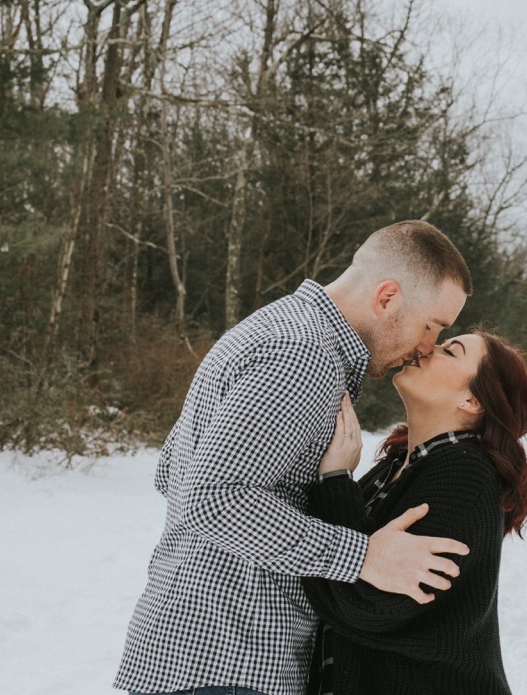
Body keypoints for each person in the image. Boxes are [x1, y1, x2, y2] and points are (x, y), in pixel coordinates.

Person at [115, 220, 476, 695]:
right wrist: (363, 556)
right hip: (230, 660)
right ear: (387, 297)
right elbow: (212, 498)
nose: (426, 349)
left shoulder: (280, 327)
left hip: (197, 654)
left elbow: (172, 473)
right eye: (432, 326)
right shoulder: (304, 355)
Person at [302, 330, 527, 695]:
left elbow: (370, 604)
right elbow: (337, 566)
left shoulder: (466, 473)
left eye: (450, 351)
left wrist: (335, 481)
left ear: (472, 400)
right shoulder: (397, 467)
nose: (428, 347)